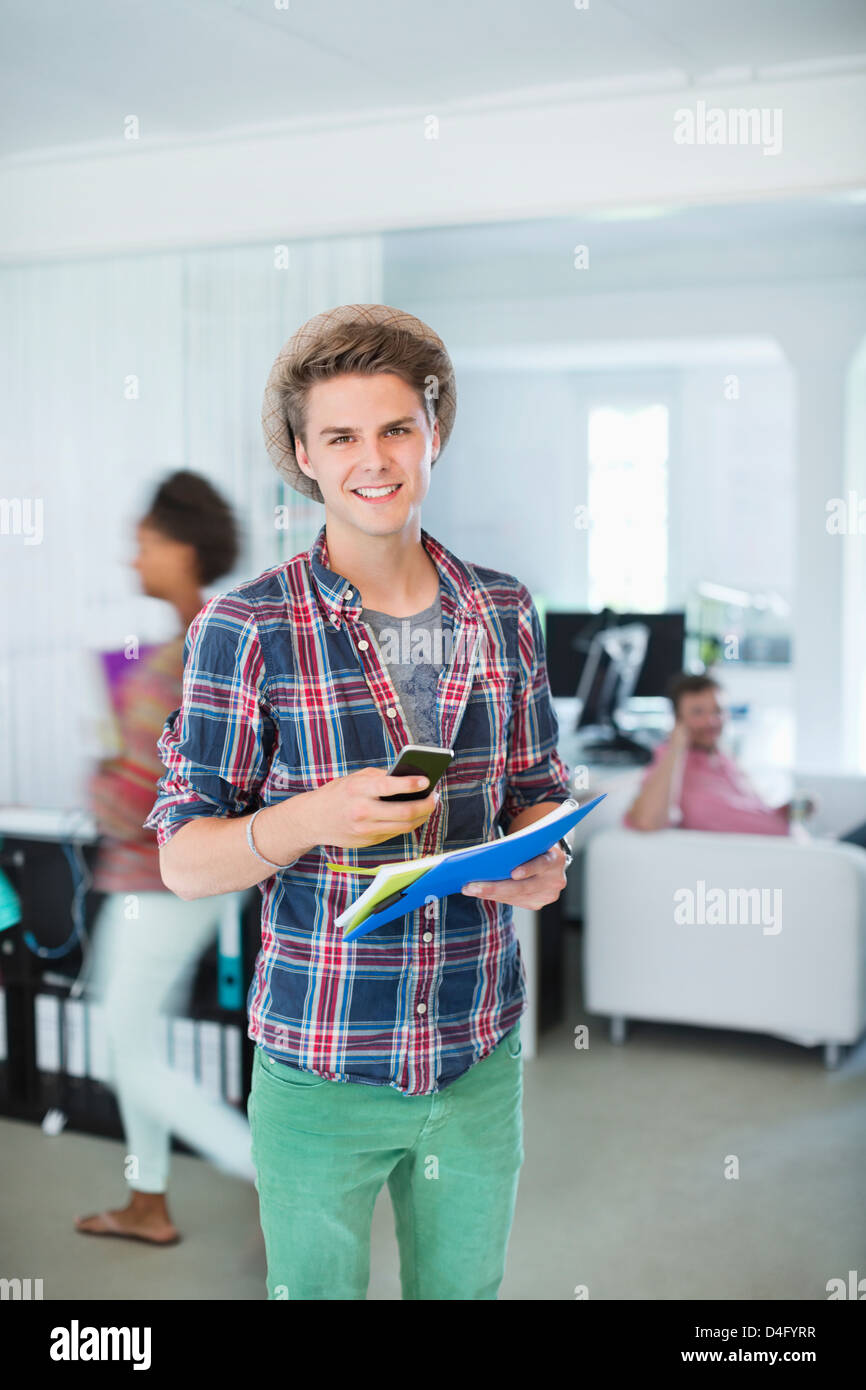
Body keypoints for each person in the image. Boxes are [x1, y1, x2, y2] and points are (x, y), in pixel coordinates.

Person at [143, 303, 575, 1300]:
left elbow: (536, 795)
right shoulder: (243, 629)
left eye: (395, 428)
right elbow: (181, 856)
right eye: (340, 434)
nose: (372, 458)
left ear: (433, 435)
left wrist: (539, 858)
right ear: (303, 451)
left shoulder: (503, 610)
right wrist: (306, 819)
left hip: (475, 1054)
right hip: (320, 1063)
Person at [75, 470, 256, 1249]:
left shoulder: (190, 654)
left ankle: (265, 1167)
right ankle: (148, 1201)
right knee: (130, 1040)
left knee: (122, 1047)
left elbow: (143, 797)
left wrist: (102, 767)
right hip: (183, 881)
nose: (132, 560)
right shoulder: (202, 640)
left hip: (163, 885)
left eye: (144, 543)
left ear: (182, 549)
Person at [624, 672, 813, 835]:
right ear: (677, 720)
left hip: (798, 843)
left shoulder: (723, 757)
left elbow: (749, 810)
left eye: (718, 711)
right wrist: (676, 746)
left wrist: (782, 812)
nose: (711, 721)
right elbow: (647, 820)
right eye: (698, 712)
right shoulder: (670, 761)